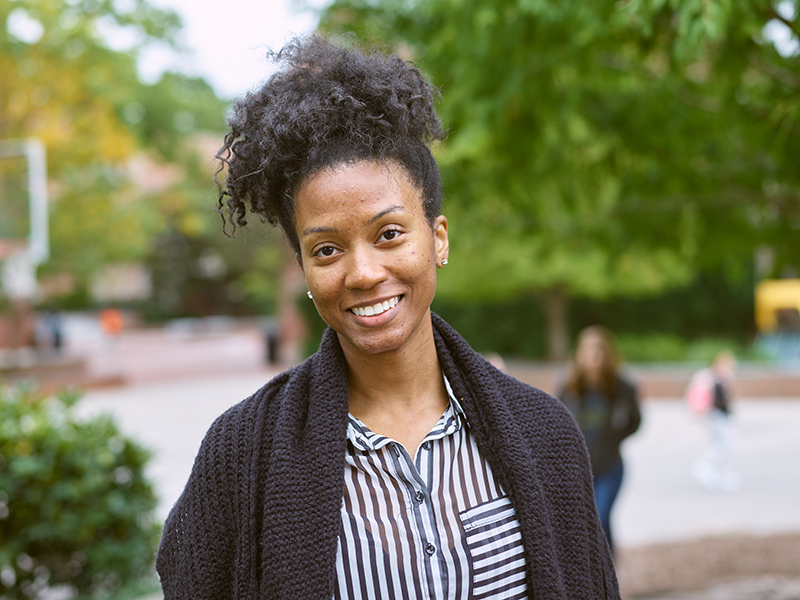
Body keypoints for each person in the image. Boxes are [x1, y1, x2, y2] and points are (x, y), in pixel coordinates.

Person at [156, 35, 619, 599]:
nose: (364, 272)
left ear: (438, 238)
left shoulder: (544, 433)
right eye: (326, 249)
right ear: (303, 267)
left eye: (389, 233)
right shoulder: (242, 452)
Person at [558, 325, 641, 555]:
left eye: (598, 352)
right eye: (588, 352)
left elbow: (635, 420)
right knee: (583, 523)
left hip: (610, 465)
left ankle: (609, 570)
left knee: (601, 516)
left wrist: (615, 438)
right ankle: (593, 573)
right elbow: (556, 419)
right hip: (580, 467)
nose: (593, 358)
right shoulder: (569, 387)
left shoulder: (620, 386)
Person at [687, 350, 740, 492]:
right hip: (716, 417)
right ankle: (705, 468)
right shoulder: (711, 378)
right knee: (722, 445)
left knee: (724, 445)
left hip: (720, 416)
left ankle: (716, 472)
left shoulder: (719, 378)